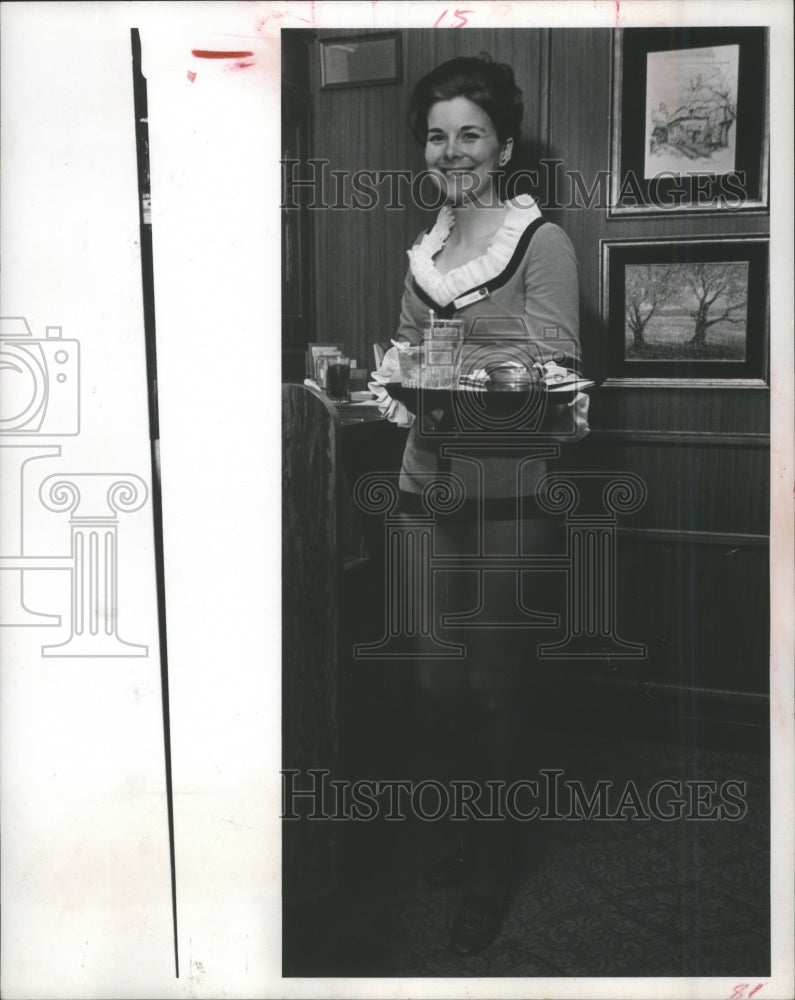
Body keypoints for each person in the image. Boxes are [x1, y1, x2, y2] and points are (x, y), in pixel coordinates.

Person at [368, 55, 586, 956]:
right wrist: (395, 379)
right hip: (426, 484)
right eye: (434, 134)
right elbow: (409, 358)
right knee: (432, 681)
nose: (450, 151)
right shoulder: (423, 253)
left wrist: (476, 387)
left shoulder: (543, 244)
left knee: (496, 689)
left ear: (501, 144)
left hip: (506, 492)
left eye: (468, 133)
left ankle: (494, 862)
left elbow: (560, 371)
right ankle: (467, 825)